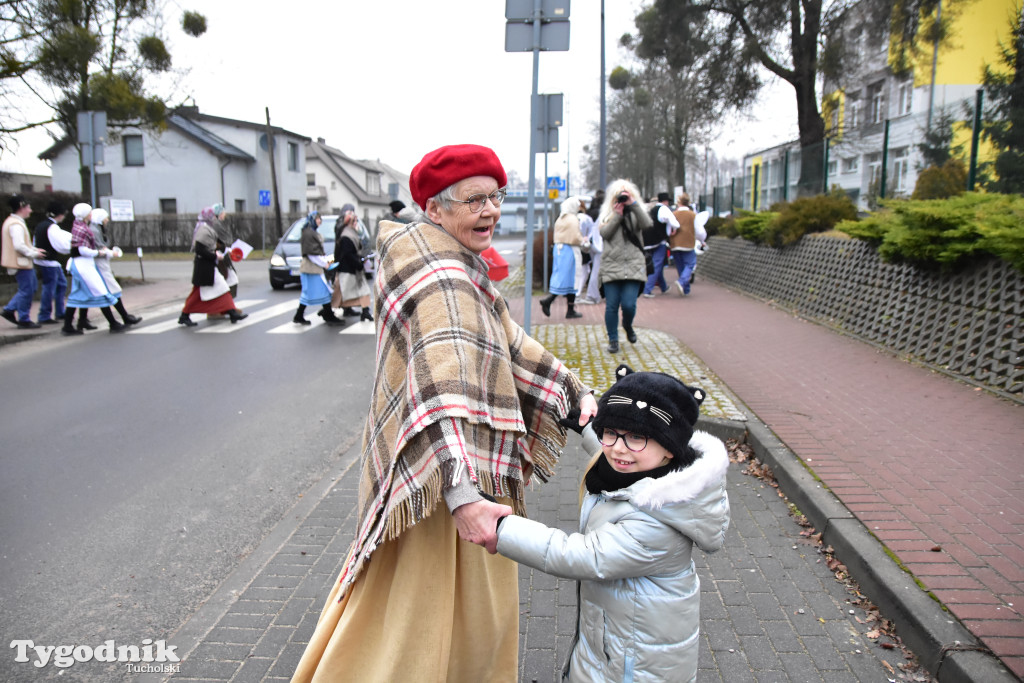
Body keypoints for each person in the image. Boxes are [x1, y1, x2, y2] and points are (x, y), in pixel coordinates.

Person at [291, 144, 598, 683]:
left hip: (447, 476)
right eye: (474, 199)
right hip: (446, 486)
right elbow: (440, 395)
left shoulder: (454, 264)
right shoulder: (440, 277)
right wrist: (464, 498)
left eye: (495, 196)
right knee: (421, 623)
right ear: (435, 209)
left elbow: (509, 342)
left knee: (415, 611)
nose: (491, 210)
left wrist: (573, 395)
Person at [495, 364, 730, 683]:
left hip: (634, 668)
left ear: (671, 449)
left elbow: (579, 555)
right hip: (614, 643)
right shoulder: (644, 471)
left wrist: (500, 528)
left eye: (636, 436)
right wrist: (590, 427)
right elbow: (620, 452)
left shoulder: (656, 522)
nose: (618, 447)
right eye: (611, 432)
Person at [597, 179, 651, 354]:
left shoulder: (637, 212)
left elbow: (647, 225)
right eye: (619, 196)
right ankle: (613, 339)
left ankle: (627, 326)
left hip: (633, 265)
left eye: (626, 196)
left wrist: (633, 205)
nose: (622, 199)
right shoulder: (607, 214)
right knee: (611, 305)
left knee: (629, 304)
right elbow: (604, 233)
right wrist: (617, 215)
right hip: (611, 265)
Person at [178, 207, 248, 327]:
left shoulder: (205, 228)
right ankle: (231, 313)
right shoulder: (203, 230)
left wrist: (222, 252)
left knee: (202, 292)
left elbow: (212, 246)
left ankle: (185, 315)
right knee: (222, 288)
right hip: (205, 267)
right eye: (213, 216)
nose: (215, 219)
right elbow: (200, 249)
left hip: (207, 267)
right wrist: (215, 256)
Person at [64, 203, 124, 333]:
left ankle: (69, 326)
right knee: (100, 291)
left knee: (77, 295)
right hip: (82, 265)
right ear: (85, 215)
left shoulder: (80, 226)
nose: (91, 215)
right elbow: (82, 250)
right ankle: (113, 323)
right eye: (89, 213)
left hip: (83, 264)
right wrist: (98, 253)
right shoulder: (81, 229)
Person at [88, 208, 142, 326]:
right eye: (105, 218)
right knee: (109, 292)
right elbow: (98, 249)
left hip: (101, 264)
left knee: (109, 291)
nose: (107, 220)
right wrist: (111, 253)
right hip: (99, 265)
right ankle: (117, 320)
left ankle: (122, 317)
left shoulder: (96, 229)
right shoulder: (94, 231)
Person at [539, 196, 587, 320]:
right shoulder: (573, 219)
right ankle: (552, 302)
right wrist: (584, 242)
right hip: (569, 251)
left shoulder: (560, 218)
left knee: (563, 277)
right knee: (570, 279)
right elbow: (576, 237)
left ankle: (566, 308)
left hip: (559, 250)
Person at [2, 194, 46, 329]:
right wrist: (34, 253)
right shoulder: (16, 225)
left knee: (29, 288)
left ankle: (11, 310)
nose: (30, 210)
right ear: (21, 207)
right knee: (27, 290)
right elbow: (19, 246)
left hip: (20, 262)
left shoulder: (12, 222)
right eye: (28, 207)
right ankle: (23, 318)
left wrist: (34, 249)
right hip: (21, 262)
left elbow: (21, 244)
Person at [293, 210, 344, 326]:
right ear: (312, 220)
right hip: (311, 269)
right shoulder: (308, 233)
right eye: (317, 219)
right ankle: (325, 314)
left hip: (313, 268)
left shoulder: (311, 232)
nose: (320, 221)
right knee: (319, 292)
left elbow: (316, 252)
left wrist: (325, 260)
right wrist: (325, 263)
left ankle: (304, 315)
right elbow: (311, 254)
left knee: (319, 292)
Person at [32, 201, 72, 326]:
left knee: (61, 284)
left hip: (44, 260)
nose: (64, 216)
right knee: (50, 287)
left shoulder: (41, 225)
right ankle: (44, 315)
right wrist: (70, 248)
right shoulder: (52, 227)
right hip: (49, 261)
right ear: (59, 214)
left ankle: (60, 312)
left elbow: (35, 242)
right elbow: (61, 245)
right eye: (63, 214)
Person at [330, 208, 373, 321]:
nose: (356, 223)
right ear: (350, 222)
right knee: (340, 293)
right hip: (347, 269)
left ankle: (365, 311)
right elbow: (348, 254)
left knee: (363, 290)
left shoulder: (351, 233)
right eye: (354, 221)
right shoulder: (346, 235)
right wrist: (358, 263)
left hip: (353, 268)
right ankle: (327, 310)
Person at [668, 192, 707, 297]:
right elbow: (700, 232)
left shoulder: (673, 214)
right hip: (688, 243)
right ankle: (682, 281)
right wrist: (702, 240)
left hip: (675, 243)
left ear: (679, 202)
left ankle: (686, 289)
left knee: (680, 266)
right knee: (690, 264)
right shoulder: (693, 215)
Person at [642, 192, 680, 298]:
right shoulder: (664, 209)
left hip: (648, 241)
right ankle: (647, 289)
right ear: (666, 201)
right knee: (657, 264)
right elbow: (675, 223)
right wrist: (674, 229)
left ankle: (663, 287)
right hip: (659, 240)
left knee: (654, 264)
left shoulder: (652, 210)